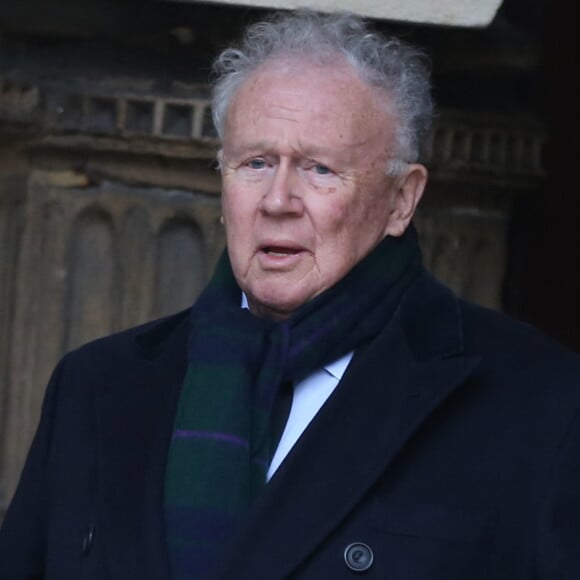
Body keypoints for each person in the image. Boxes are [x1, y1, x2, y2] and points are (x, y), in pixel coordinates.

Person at [1, 9, 580, 580]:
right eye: (255, 163)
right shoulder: (97, 387)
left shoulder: (537, 404)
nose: (278, 199)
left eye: (319, 169)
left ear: (402, 199)